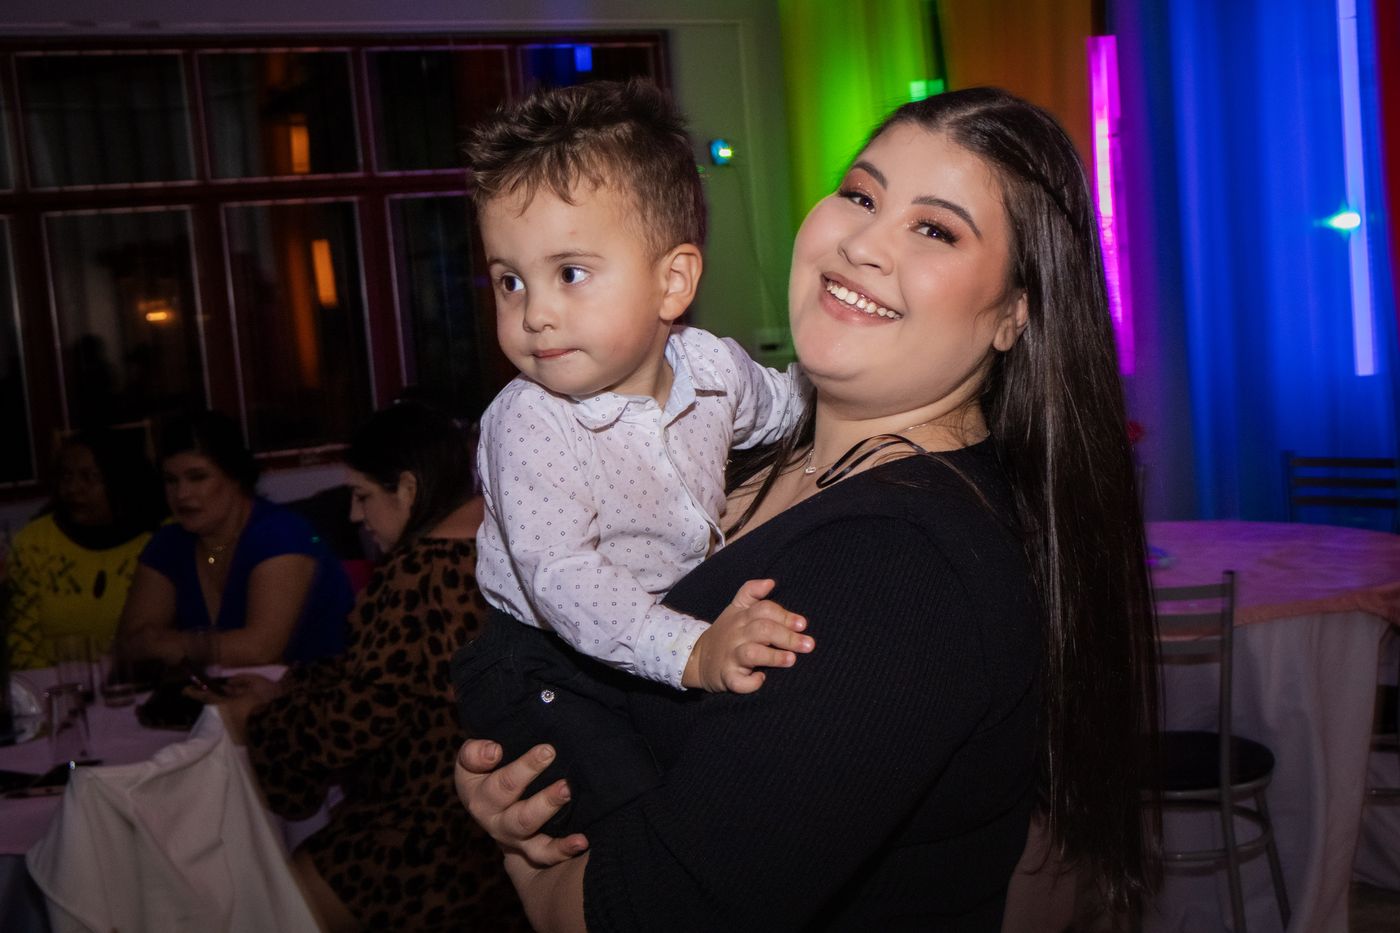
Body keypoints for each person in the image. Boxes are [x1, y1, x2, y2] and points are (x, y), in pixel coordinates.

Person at [456, 86, 1160, 931]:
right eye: (860, 195)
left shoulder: (902, 567)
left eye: (935, 229)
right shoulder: (734, 449)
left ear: (1014, 314)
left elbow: (643, 914)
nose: (863, 242)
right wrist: (542, 776)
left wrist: (529, 865)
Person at [453, 80, 810, 832]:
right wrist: (693, 650)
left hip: (658, 635)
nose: (534, 313)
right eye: (510, 280)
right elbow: (564, 578)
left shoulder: (711, 368)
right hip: (547, 662)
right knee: (636, 823)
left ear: (672, 282)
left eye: (569, 273)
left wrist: (849, 378)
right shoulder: (528, 420)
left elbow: (786, 407)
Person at [215, 402, 528, 933]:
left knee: (263, 903)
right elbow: (388, 680)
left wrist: (257, 722)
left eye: (362, 496)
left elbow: (351, 722)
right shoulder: (500, 552)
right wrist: (290, 689)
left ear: (407, 488)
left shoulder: (418, 573)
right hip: (497, 821)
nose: (355, 517)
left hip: (430, 837)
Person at [118, 410, 350, 666]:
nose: (181, 494)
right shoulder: (169, 543)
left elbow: (259, 650)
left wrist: (170, 644)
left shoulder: (281, 533)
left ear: (236, 476)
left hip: (314, 687)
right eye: (171, 481)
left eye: (198, 477)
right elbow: (131, 643)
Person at [5, 429, 166, 668]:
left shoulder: (159, 541)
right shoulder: (35, 542)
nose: (73, 489)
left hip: (135, 682)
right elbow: (20, 647)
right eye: (66, 477)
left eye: (89, 477)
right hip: (51, 685)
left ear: (121, 481)